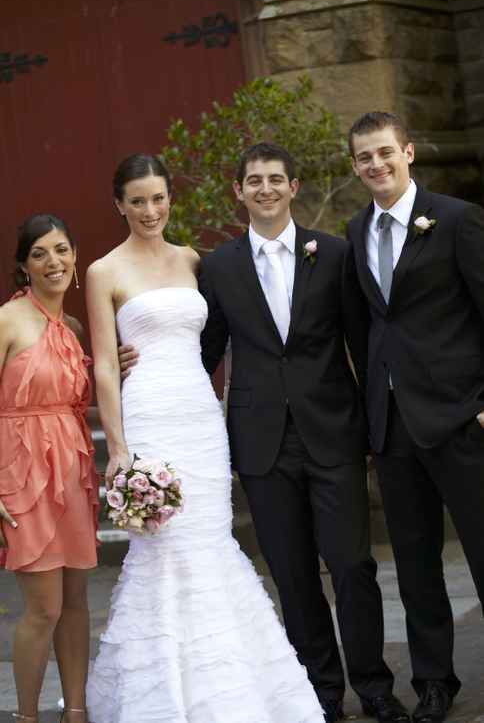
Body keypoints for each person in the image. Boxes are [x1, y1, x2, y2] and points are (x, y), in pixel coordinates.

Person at [119, 144, 408, 723]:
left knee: (352, 566)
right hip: (260, 441)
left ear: (294, 187)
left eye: (276, 179)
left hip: (332, 434)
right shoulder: (217, 266)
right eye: (254, 181)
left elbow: (361, 344)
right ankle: (320, 691)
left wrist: (374, 429)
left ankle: (373, 686)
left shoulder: (333, 254)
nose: (266, 189)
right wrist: (143, 360)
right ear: (239, 191)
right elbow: (201, 347)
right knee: (292, 573)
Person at [85, 153, 325, 723]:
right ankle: (167, 694)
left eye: (158, 198)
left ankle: (241, 689)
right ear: (119, 204)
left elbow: (223, 335)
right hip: (149, 419)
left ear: (172, 199)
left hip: (199, 420)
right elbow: (102, 365)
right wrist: (118, 449)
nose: (150, 210)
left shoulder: (195, 261)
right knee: (165, 550)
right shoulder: (104, 271)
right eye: (137, 200)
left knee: (211, 544)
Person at [345, 111, 484, 723]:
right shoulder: (353, 232)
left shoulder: (455, 219)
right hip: (393, 425)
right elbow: (365, 328)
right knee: (416, 563)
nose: (376, 165)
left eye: (384, 152)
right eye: (363, 158)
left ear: (407, 151)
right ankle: (434, 681)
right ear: (355, 167)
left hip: (459, 417)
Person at [0, 214, 99, 723]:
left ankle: (76, 711)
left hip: (72, 472)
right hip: (21, 475)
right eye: (39, 253)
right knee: (43, 608)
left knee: (77, 602)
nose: (52, 261)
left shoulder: (76, 328)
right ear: (24, 265)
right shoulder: (7, 320)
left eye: (61, 249)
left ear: (75, 257)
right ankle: (27, 716)